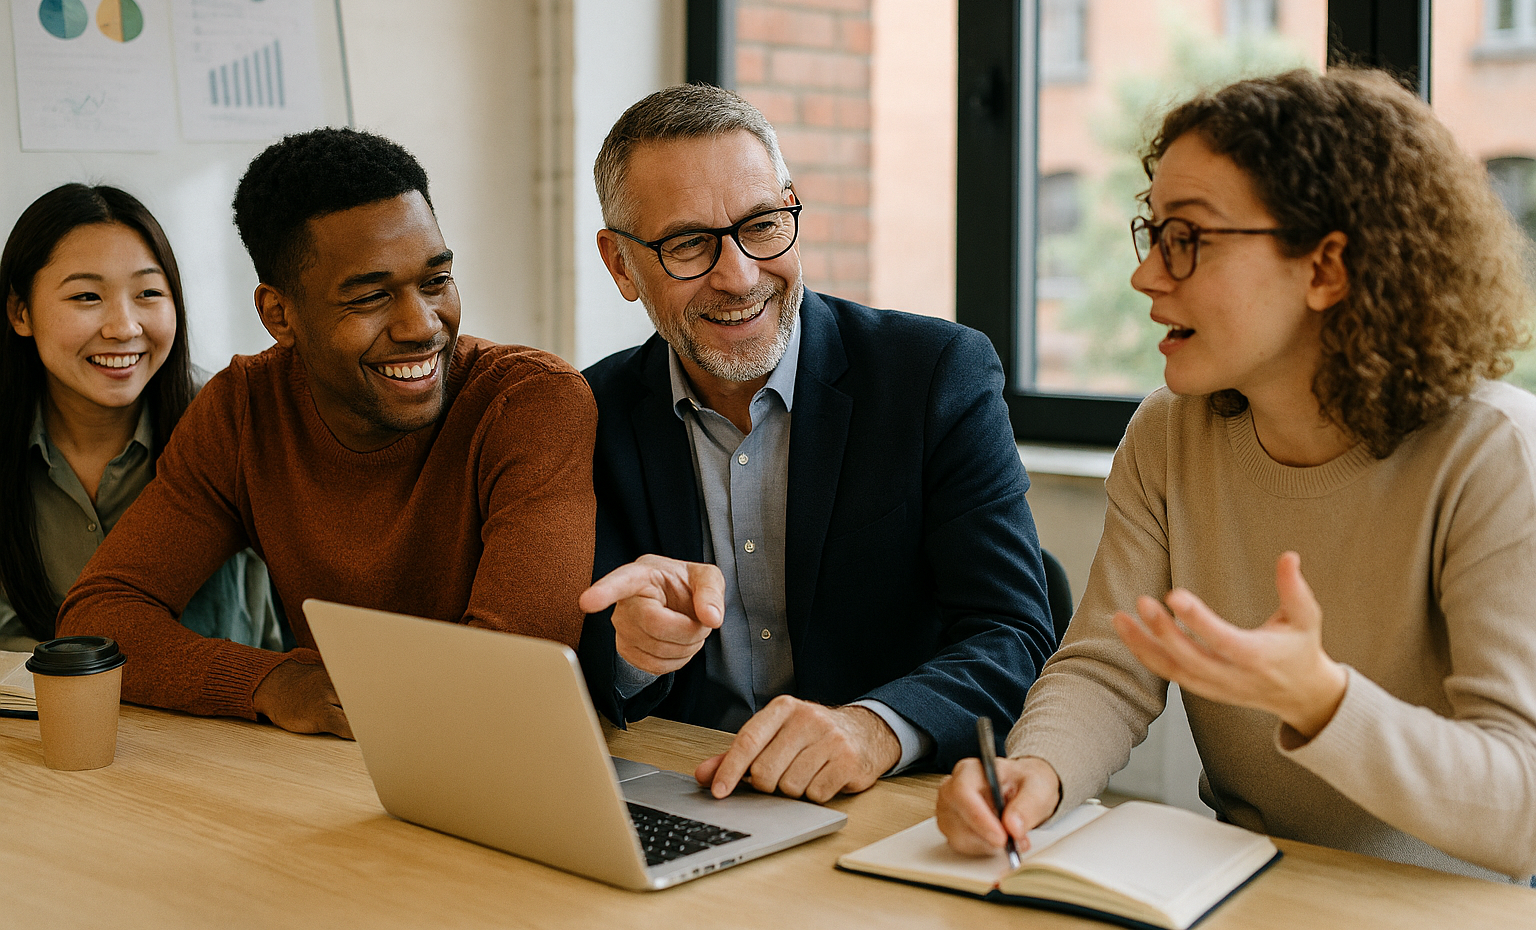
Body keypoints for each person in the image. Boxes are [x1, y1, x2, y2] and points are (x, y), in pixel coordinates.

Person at [935, 68, 1536, 883]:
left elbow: (1524, 808)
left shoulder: (1494, 452)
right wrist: (1034, 774)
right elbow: (1110, 668)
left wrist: (1321, 699)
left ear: (1326, 267)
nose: (1147, 275)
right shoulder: (1168, 433)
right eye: (1154, 233)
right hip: (1240, 885)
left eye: (1190, 237)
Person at [577, 84, 1055, 803]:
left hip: (893, 805)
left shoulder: (934, 376)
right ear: (620, 265)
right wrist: (629, 654)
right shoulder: (589, 412)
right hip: (688, 792)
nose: (739, 275)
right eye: (687, 244)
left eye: (763, 224)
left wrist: (873, 729)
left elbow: (1015, 634)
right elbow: (572, 660)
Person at [58, 128, 598, 738]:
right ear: (279, 315)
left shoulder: (527, 401)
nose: (422, 326)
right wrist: (266, 681)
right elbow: (100, 619)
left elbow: (517, 671)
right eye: (370, 297)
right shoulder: (242, 410)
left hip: (503, 755)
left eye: (435, 281)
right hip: (336, 768)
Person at [1, 184, 281, 655]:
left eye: (149, 292)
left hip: (222, 717)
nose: (124, 327)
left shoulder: (228, 418)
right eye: (87, 297)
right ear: (20, 311)